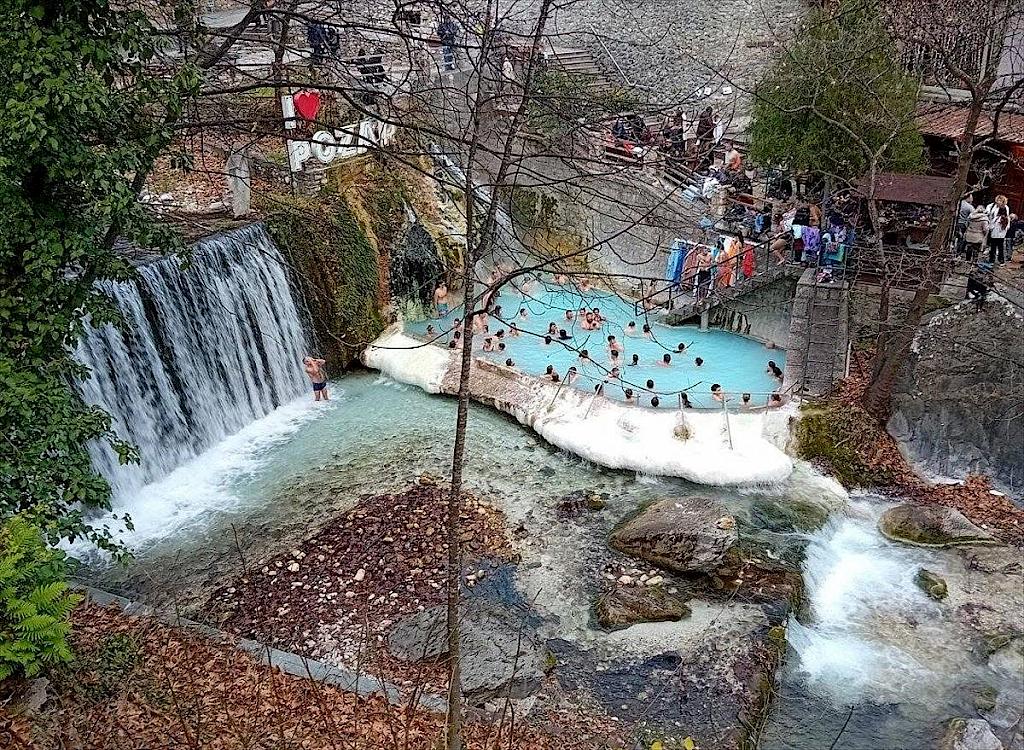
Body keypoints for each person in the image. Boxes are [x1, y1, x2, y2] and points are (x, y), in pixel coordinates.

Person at [986, 194, 1011, 264]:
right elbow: (988, 213)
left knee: (1000, 245)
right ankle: (992, 259)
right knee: (993, 245)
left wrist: (1006, 225)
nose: (999, 202)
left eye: (1001, 201)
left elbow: (1007, 217)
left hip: (1002, 228)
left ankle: (1001, 259)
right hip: (994, 227)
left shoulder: (1006, 208)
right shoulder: (991, 206)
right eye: (998, 200)